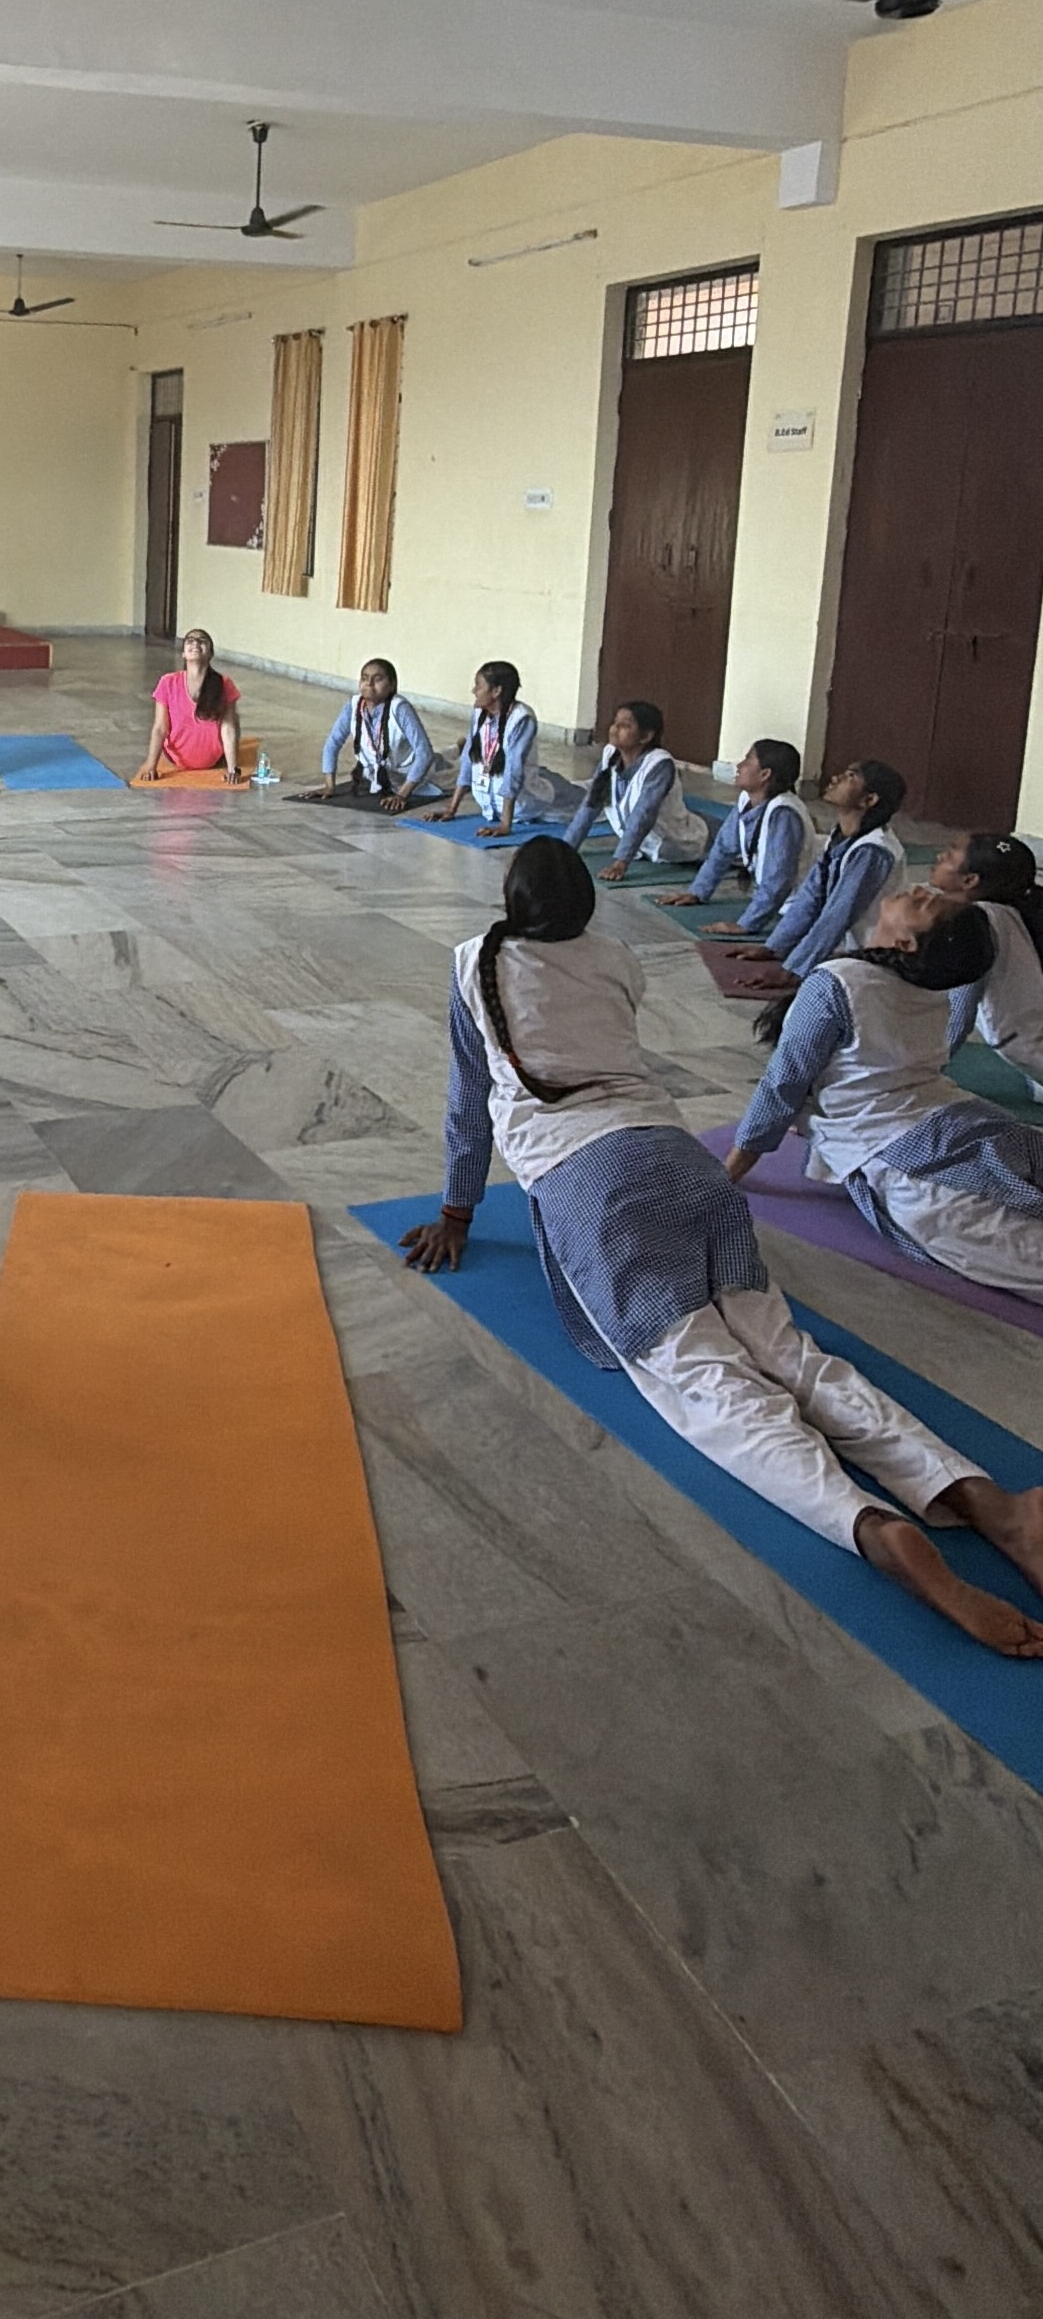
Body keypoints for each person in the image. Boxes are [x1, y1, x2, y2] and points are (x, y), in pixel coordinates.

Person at [401, 843, 1043, 1656]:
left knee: (700, 1372)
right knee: (789, 1350)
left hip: (594, 1184)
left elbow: (469, 1106)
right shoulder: (617, 957)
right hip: (680, 1162)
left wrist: (458, 1211)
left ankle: (866, 1523)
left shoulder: (472, 963)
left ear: (508, 897)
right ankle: (983, 1498)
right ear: (588, 906)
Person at [729, 890, 1043, 1303]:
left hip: (897, 1143)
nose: (921, 889)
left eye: (927, 903)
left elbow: (783, 1084)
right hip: (960, 1118)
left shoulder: (837, 983)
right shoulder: (927, 977)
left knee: (999, 1241)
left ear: (907, 943)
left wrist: (732, 1168)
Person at [712, 759, 908, 996]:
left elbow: (837, 915)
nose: (836, 778)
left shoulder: (873, 851)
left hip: (880, 954)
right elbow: (811, 896)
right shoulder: (841, 836)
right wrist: (775, 947)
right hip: (855, 945)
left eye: (850, 777)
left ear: (869, 800)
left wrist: (793, 971)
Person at [657, 739, 815, 934]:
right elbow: (723, 849)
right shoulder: (746, 799)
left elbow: (778, 879)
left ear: (765, 775)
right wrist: (697, 891)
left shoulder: (783, 815)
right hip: (775, 903)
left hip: (795, 906)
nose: (739, 766)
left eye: (747, 761)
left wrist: (747, 924)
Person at [929, 832, 1043, 1095]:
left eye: (950, 852)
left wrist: (924, 1072)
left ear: (970, 880)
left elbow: (960, 1012)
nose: (939, 857)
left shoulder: (978, 921)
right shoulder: (1008, 910)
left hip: (1028, 1042)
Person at [564, 699, 709, 882]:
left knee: (735, 849)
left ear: (646, 736)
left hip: (681, 843)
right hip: (648, 846)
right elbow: (591, 804)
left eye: (625, 726)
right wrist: (567, 848)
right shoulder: (610, 755)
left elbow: (643, 814)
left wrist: (621, 862)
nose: (614, 729)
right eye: (615, 723)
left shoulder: (658, 764)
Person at [433, 661, 579, 841]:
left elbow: (514, 769)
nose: (474, 691)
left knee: (583, 796)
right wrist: (451, 809)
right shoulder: (479, 714)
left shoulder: (522, 718)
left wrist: (505, 824)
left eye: (478, 685)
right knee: (557, 780)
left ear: (496, 691)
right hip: (490, 805)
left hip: (522, 804)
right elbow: (468, 761)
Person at [299, 659, 436, 812]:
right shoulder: (354, 705)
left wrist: (402, 795)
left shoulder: (400, 709)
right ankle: (456, 747)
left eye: (378, 679)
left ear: (392, 685)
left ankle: (457, 747)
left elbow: (425, 753)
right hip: (383, 774)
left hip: (411, 773)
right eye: (364, 678)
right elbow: (333, 743)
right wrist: (329, 786)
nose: (369, 683)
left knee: (448, 771)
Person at [134, 628, 245, 785]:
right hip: (177, 757)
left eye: (202, 640)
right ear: (183, 654)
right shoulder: (168, 682)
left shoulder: (224, 684)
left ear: (211, 654)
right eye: (190, 640)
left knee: (233, 718)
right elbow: (160, 728)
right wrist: (151, 766)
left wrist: (232, 769)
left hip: (213, 759)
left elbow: (228, 728)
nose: (196, 643)